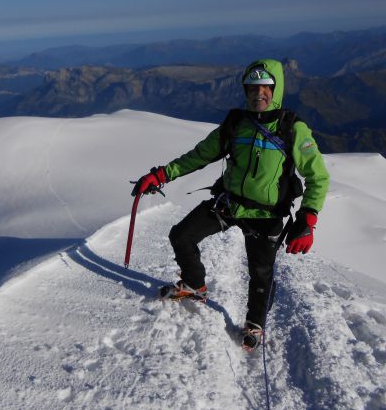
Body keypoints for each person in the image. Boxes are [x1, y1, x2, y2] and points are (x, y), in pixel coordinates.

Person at [131, 59, 330, 352]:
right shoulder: (236, 124)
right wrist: (162, 174)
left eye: (265, 87)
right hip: (230, 204)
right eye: (252, 88)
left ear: (276, 89)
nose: (258, 93)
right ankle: (194, 286)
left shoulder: (292, 129)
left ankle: (254, 324)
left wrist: (308, 217)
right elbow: (199, 155)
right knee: (182, 235)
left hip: (267, 214)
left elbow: (318, 176)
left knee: (261, 273)